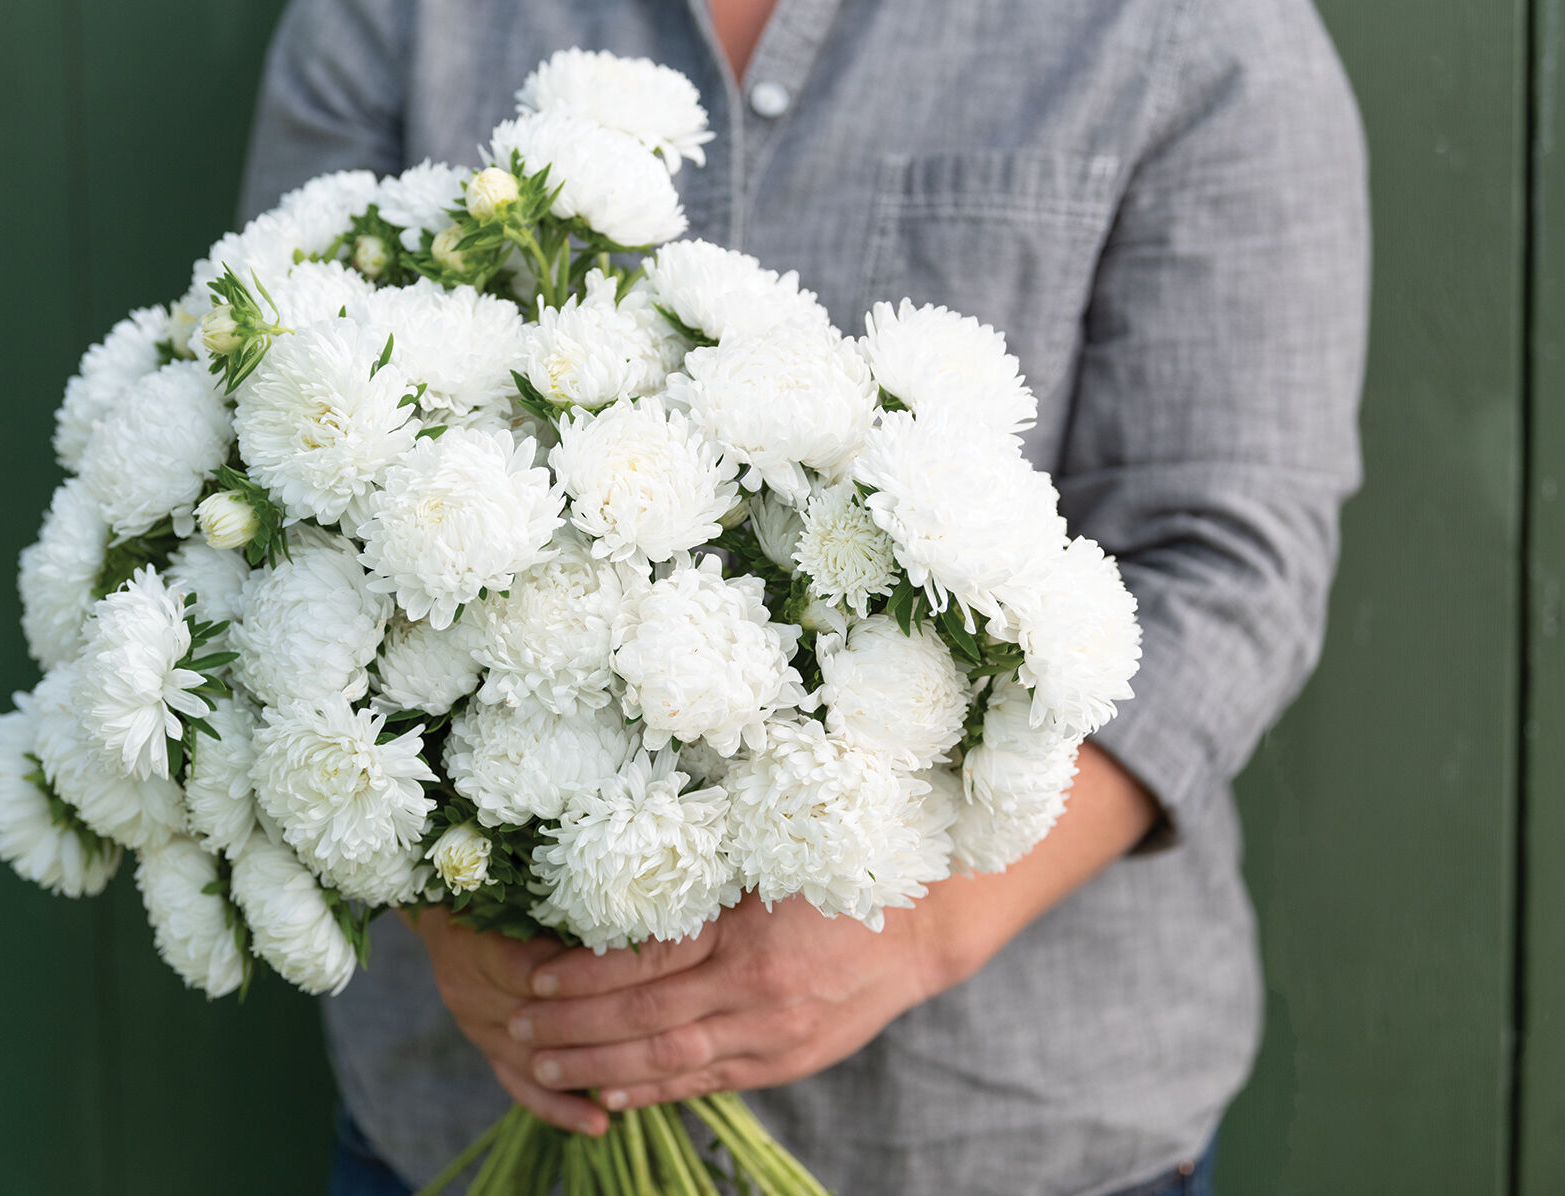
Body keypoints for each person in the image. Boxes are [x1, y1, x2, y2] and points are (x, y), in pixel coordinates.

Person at [238, 1, 1369, 1192]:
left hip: (996, 1127)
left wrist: (913, 925)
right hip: (469, 1118)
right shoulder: (399, 20)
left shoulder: (1194, 29)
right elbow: (286, 449)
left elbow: (1231, 560)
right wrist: (450, 904)